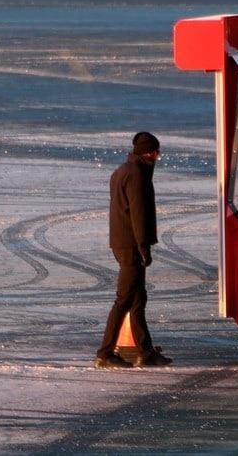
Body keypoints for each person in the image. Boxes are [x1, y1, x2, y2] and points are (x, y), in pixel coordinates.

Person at [95, 131, 173, 368]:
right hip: (130, 244)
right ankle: (105, 353)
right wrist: (143, 246)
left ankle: (145, 351)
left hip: (122, 242)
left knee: (138, 298)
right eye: (157, 152)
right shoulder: (137, 175)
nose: (158, 157)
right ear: (149, 153)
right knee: (124, 298)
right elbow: (138, 214)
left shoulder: (123, 171)